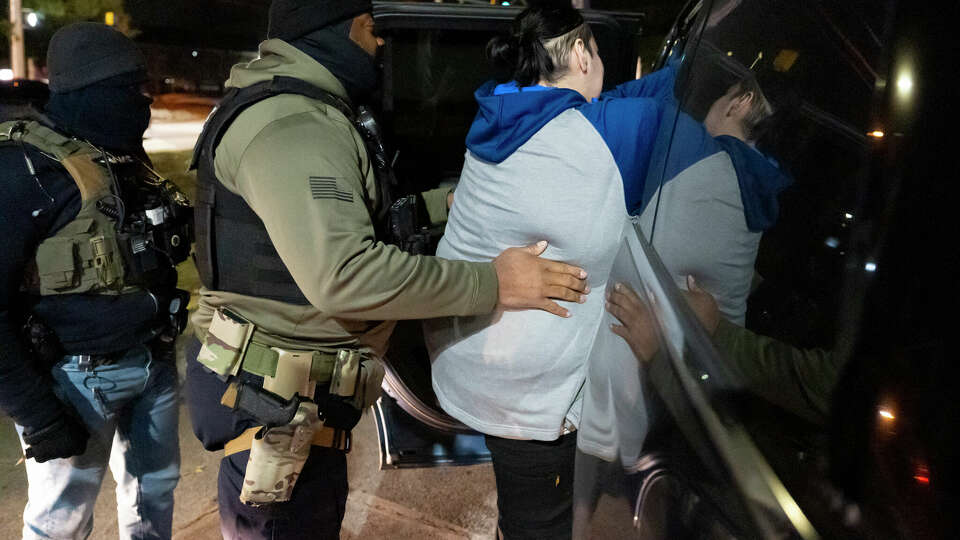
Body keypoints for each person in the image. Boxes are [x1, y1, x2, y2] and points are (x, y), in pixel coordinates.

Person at [183, 1, 590, 539]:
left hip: (293, 406)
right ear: (351, 27)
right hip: (278, 417)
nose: (380, 49)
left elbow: (367, 220)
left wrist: (464, 202)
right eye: (375, 34)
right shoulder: (294, 127)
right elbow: (348, 275)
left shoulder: (304, 111)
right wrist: (495, 284)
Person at [423, 5, 667, 538]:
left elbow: (613, 101)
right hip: (527, 394)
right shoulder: (606, 137)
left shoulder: (498, 106)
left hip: (469, 355)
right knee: (539, 526)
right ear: (581, 53)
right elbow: (677, 92)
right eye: (598, 53)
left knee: (525, 506)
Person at [0, 23, 191, 540]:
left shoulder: (118, 155)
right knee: (59, 522)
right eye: (127, 89)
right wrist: (38, 415)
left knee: (154, 499)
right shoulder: (25, 169)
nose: (142, 101)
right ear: (90, 91)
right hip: (73, 379)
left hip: (153, 360)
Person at [630, 62, 793, 324]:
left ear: (739, 103)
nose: (717, 101)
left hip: (666, 342)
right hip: (714, 348)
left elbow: (652, 96)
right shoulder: (764, 184)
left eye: (726, 93)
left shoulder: (698, 152)